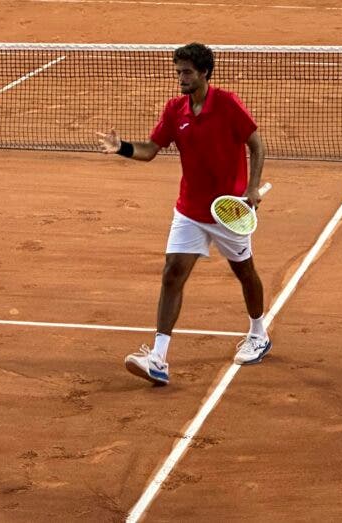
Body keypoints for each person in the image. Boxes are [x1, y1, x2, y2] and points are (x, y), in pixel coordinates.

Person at [97, 42, 270, 386]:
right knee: (173, 272)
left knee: (245, 272)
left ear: (204, 72)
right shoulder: (175, 110)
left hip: (227, 211)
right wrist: (123, 148)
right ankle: (159, 357)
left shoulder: (228, 103)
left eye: (187, 72)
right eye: (178, 72)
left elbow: (257, 145)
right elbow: (150, 150)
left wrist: (252, 187)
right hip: (190, 209)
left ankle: (258, 332)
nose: (181, 78)